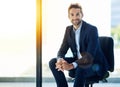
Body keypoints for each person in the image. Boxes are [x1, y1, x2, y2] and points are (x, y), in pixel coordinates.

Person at [49, 3, 108, 87]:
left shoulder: (92, 30)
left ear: (82, 15)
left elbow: (89, 56)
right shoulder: (68, 30)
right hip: (79, 61)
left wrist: (71, 65)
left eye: (77, 14)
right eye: (72, 15)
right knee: (53, 62)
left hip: (94, 64)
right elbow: (62, 50)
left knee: (81, 68)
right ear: (69, 16)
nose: (75, 17)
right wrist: (60, 60)